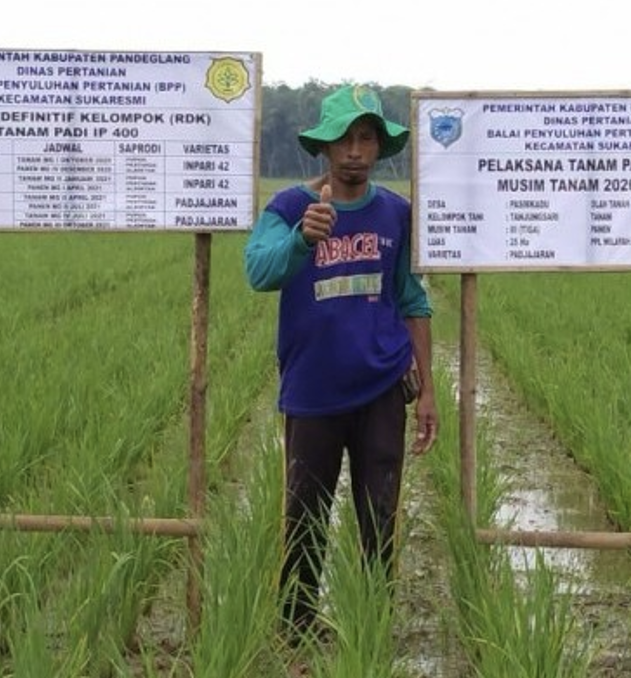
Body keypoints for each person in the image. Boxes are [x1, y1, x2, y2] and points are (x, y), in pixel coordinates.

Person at [244, 84, 439, 644]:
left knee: (380, 519)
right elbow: (259, 272)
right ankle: (296, 632)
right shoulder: (287, 208)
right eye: (343, 140)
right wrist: (301, 242)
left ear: (379, 147)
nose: (355, 150)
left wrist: (426, 391)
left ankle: (372, 628)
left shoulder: (396, 215)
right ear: (324, 148)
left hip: (381, 389)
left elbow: (412, 300)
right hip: (312, 394)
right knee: (304, 521)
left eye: (366, 139)